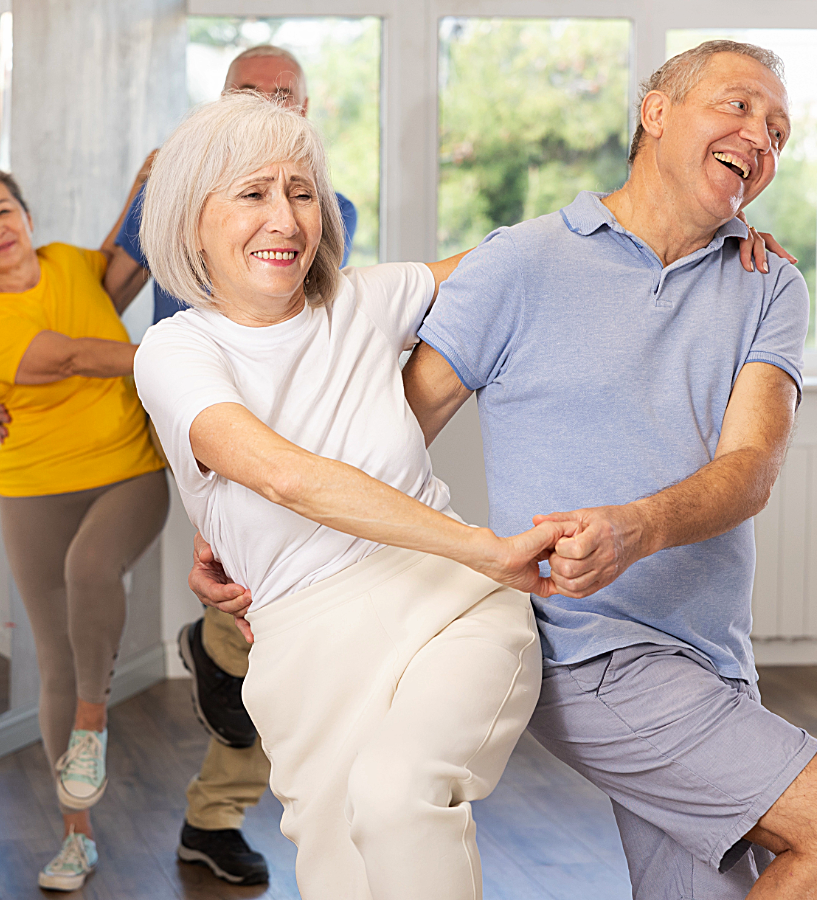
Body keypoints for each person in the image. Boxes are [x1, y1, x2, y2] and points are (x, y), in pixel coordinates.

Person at [197, 40, 817, 899]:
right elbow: (388, 433)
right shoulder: (525, 261)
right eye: (739, 106)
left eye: (780, 129)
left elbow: (751, 468)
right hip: (590, 651)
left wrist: (637, 525)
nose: (761, 136)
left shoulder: (769, 284)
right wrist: (253, 542)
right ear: (655, 111)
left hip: (715, 657)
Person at [132, 91, 570, 900]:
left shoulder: (366, 300)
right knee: (344, 878)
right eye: (254, 192)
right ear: (191, 218)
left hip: (453, 607)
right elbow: (282, 474)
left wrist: (704, 228)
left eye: (302, 191)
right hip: (305, 650)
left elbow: (531, 258)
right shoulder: (175, 350)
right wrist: (487, 544)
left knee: (399, 801)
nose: (287, 218)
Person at [0, 44, 361, 886]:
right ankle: (212, 682)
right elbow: (89, 303)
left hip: (270, 447)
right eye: (247, 93)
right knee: (246, 623)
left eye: (284, 96)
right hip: (181, 443)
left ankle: (215, 791)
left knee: (262, 630)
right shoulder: (174, 198)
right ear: (217, 103)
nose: (268, 107)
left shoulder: (328, 210)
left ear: (306, 111)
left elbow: (325, 324)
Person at [0, 169, 169, 892]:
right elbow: (73, 354)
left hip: (129, 471)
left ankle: (92, 729)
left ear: (28, 215)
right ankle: (76, 836)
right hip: (34, 489)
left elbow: (127, 257)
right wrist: (167, 361)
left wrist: (148, 175)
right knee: (54, 661)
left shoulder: (72, 262)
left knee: (91, 570)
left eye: (4, 208)